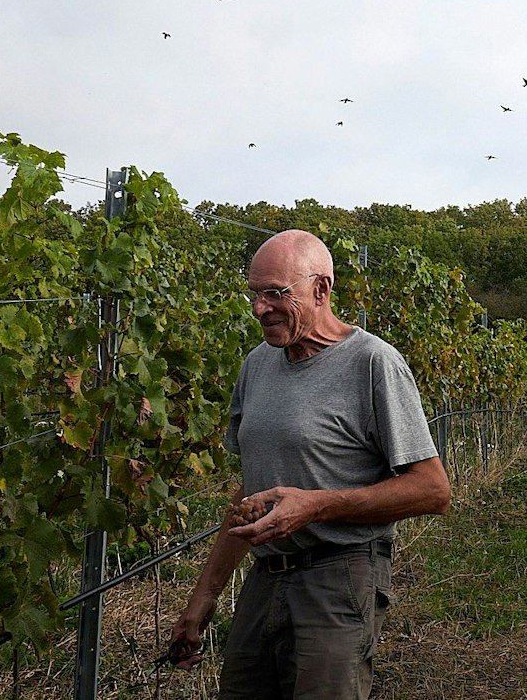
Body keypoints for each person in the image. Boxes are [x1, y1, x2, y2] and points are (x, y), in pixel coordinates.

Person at [168, 229, 450, 699]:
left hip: (338, 575)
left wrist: (316, 506)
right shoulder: (257, 365)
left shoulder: (373, 363)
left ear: (321, 289)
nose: (260, 309)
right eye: (255, 294)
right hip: (265, 577)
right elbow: (250, 491)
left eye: (275, 293)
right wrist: (204, 597)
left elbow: (433, 490)